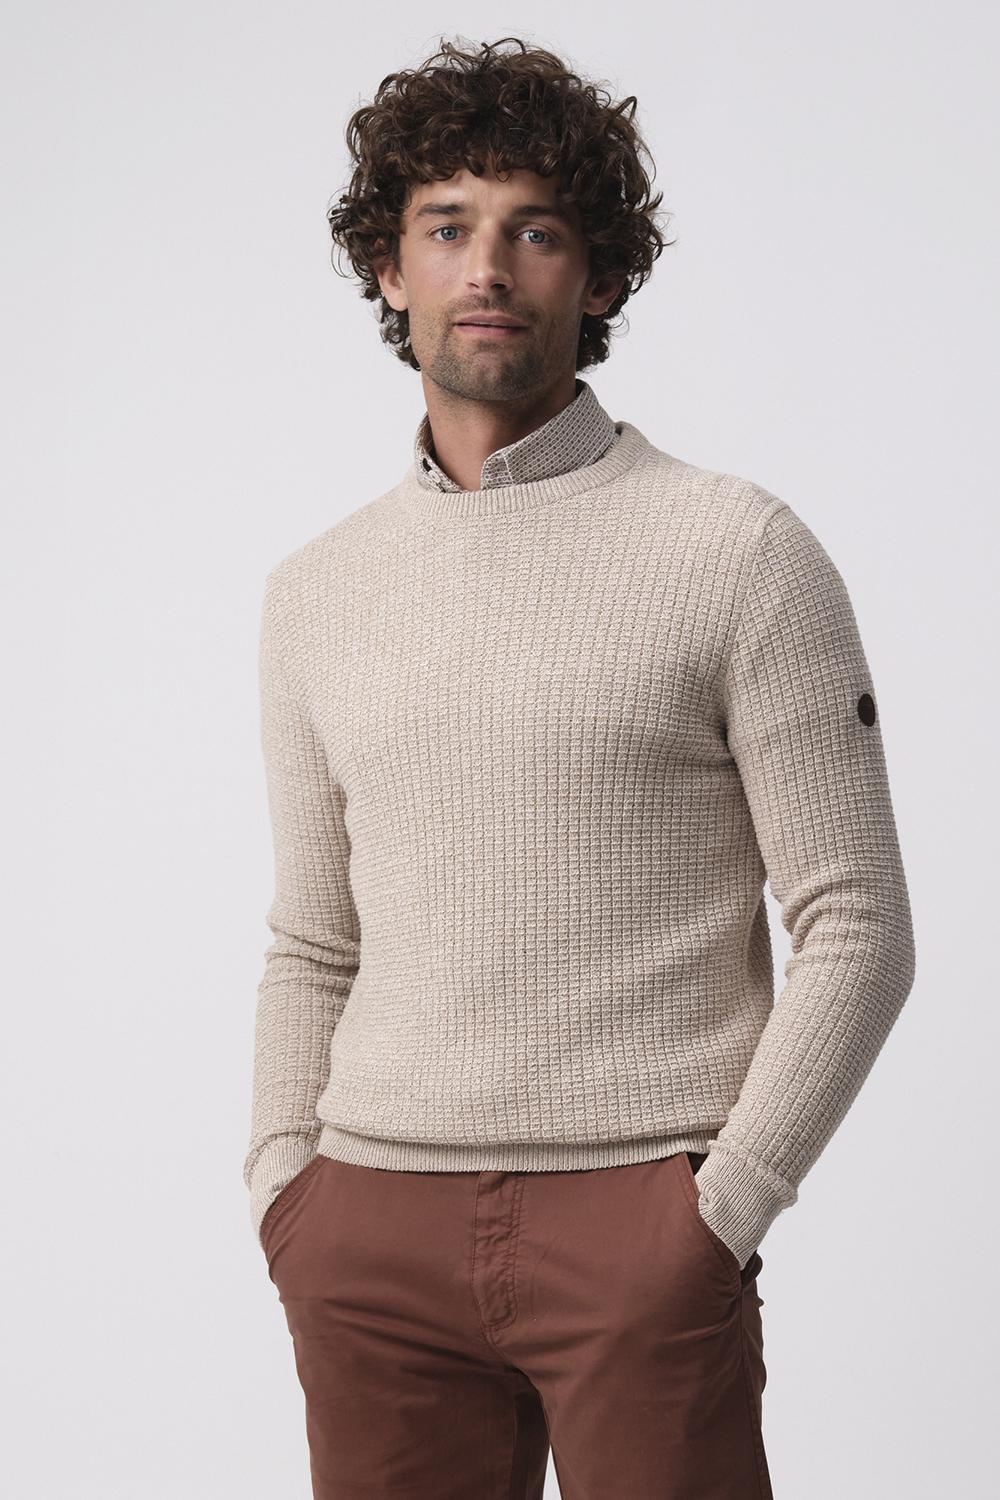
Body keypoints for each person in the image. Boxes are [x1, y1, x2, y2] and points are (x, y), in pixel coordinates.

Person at [243, 35, 915, 1500]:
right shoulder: (315, 592)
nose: (487, 267)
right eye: (446, 227)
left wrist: (721, 1210)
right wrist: (289, 1190)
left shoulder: (739, 550)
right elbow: (312, 941)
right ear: (388, 269)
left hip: (642, 1224)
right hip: (368, 1234)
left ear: (598, 278)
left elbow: (857, 921)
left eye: (536, 231)